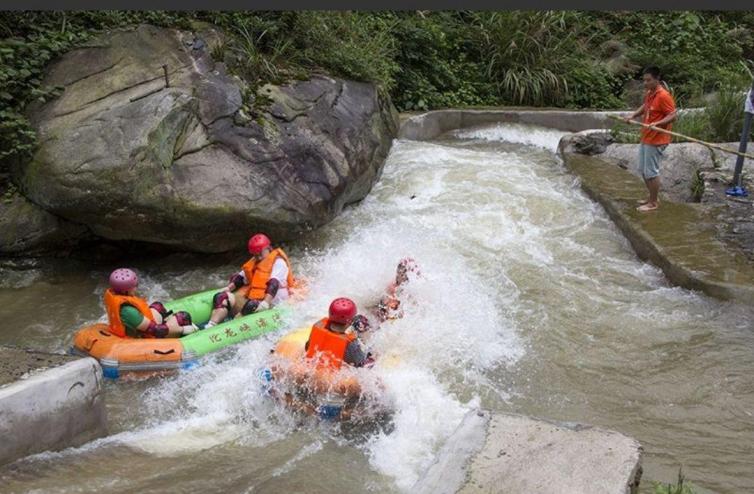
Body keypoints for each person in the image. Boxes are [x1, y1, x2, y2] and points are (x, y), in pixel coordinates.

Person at [206, 233, 295, 328]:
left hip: (273, 302)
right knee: (221, 297)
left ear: (268, 249)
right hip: (255, 299)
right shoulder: (255, 262)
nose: (258, 258)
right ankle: (211, 325)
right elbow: (240, 278)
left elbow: (274, 283)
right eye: (255, 255)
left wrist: (266, 302)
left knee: (251, 305)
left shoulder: (279, 263)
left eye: (260, 254)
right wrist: (228, 288)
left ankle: (233, 326)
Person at [624, 66, 677, 212]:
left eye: (648, 80)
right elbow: (645, 106)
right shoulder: (650, 93)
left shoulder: (663, 96)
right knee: (643, 169)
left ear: (656, 79)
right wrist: (633, 115)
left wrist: (658, 123)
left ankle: (653, 203)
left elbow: (673, 115)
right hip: (647, 137)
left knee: (651, 172)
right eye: (644, 80)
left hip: (657, 139)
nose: (645, 83)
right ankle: (651, 198)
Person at [104, 268, 197, 339]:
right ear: (127, 290)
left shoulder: (114, 294)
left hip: (133, 328)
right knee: (183, 317)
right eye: (134, 286)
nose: (136, 288)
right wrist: (182, 329)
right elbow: (157, 330)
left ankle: (168, 323)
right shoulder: (128, 312)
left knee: (158, 306)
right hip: (141, 337)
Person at [304, 298, 373, 369]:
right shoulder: (349, 343)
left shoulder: (318, 326)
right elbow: (361, 363)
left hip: (313, 368)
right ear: (350, 321)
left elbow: (307, 347)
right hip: (333, 377)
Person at [374, 257, 419, 323]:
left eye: (403, 274)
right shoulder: (392, 286)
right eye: (399, 272)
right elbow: (384, 307)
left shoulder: (413, 290)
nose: (399, 275)